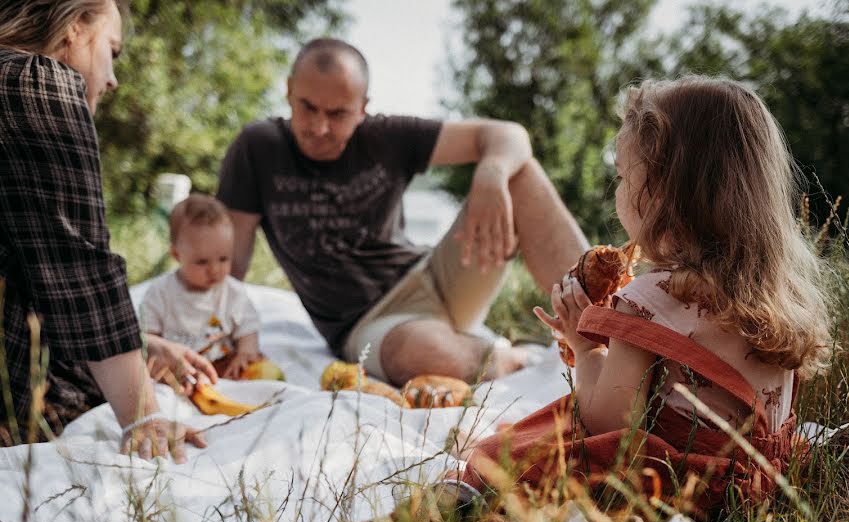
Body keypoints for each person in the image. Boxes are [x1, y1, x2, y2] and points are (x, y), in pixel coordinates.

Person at [445, 76, 833, 511]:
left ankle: (474, 486)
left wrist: (585, 347)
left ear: (660, 194)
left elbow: (608, 422)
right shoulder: (779, 293)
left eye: (622, 176)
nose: (617, 191)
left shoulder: (651, 298)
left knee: (544, 434)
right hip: (760, 483)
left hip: (678, 487)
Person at [218, 37, 590, 386]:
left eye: (338, 114)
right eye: (308, 108)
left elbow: (509, 134)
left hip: (435, 275)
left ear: (363, 108)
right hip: (371, 322)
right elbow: (230, 261)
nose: (319, 127)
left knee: (518, 171)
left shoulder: (385, 137)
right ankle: (512, 358)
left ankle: (602, 325)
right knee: (424, 352)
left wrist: (491, 173)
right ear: (288, 91)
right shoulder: (258, 148)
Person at [0, 0, 215, 461]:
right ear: (76, 27)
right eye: (112, 50)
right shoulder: (36, 82)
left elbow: (31, 272)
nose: (113, 78)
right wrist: (143, 417)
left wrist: (141, 344)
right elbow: (79, 270)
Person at [140, 194, 263, 379]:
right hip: (178, 368)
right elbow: (147, 338)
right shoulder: (160, 292)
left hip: (224, 367)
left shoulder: (233, 293)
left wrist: (246, 352)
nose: (214, 270)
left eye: (223, 259)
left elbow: (248, 329)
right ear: (176, 254)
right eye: (202, 262)